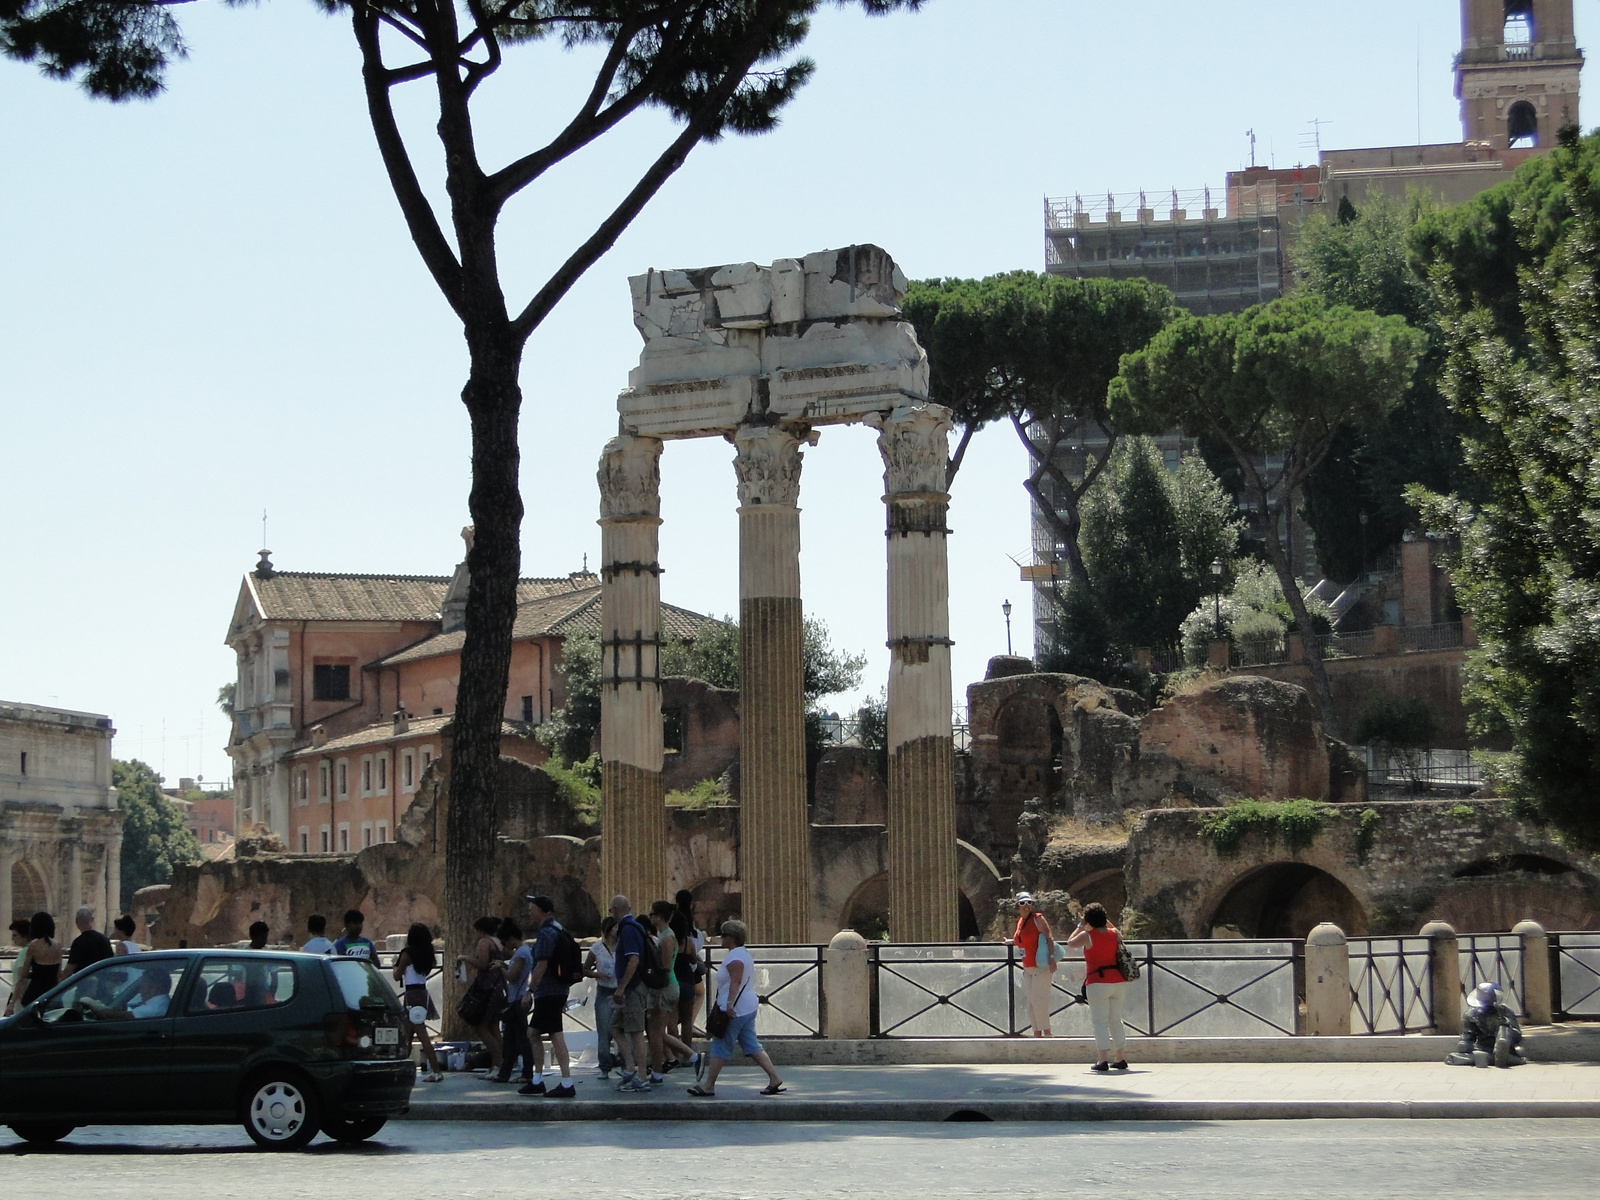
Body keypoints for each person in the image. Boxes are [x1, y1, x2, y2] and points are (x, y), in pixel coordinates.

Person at [687, 919, 784, 1098]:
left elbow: (736, 982)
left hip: (735, 1010)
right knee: (752, 1045)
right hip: (746, 1007)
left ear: (731, 937)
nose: (721, 938)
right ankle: (774, 1078)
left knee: (720, 1046)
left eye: (723, 935)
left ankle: (709, 1085)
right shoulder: (742, 953)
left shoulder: (735, 957)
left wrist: (729, 1004)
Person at [520, 894, 576, 1098]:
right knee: (535, 1033)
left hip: (549, 991)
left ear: (541, 910)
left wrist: (530, 991)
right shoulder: (558, 929)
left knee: (554, 1035)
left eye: (532, 907)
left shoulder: (546, 933)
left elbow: (542, 964)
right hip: (557, 989)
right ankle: (538, 1079)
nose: (529, 910)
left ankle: (567, 1082)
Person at [1065, 902, 1128, 1072]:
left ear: (1088, 920)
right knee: (1116, 1020)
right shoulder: (1114, 934)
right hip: (1118, 981)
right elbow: (1115, 930)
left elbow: (1070, 943)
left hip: (1097, 982)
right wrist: (1103, 920)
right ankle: (1120, 1057)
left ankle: (1102, 1060)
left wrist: (1081, 925)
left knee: (1099, 1021)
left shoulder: (1088, 936)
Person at [646, 899, 699, 1082]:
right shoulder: (666, 936)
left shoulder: (667, 938)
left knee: (656, 1031)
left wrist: (659, 993)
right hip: (668, 986)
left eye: (651, 914)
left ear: (659, 917)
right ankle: (687, 1057)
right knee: (657, 1032)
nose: (650, 917)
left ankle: (659, 1070)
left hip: (666, 987)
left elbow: (666, 968)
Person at [608, 894, 652, 1092]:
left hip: (632, 988)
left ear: (616, 910)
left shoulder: (627, 929)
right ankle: (630, 1067)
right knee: (615, 1026)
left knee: (635, 1032)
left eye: (611, 910)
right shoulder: (634, 927)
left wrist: (621, 987)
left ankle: (642, 1076)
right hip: (631, 987)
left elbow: (633, 960)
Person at [455, 914, 507, 1075]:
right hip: (498, 986)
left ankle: (498, 1063)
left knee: (481, 1027)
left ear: (480, 930)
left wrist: (465, 958)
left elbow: (483, 964)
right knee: (494, 1027)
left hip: (487, 989)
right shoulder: (497, 943)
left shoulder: (484, 942)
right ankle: (500, 1064)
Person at [392, 922, 443, 1082]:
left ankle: (436, 1070)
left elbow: (397, 976)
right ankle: (399, 1070)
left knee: (422, 1035)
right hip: (422, 992)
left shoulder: (407, 954)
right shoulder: (427, 953)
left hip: (411, 995)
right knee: (408, 1034)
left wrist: (394, 963)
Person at [1006, 892, 1056, 1037]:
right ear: (1017, 906)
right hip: (1027, 966)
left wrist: (1052, 958)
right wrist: (1011, 941)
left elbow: (1049, 937)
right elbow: (1022, 939)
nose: (1026, 906)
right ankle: (1037, 1032)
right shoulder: (1020, 922)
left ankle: (1047, 1032)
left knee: (1039, 999)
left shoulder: (1038, 919)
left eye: (1029, 903)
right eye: (1022, 903)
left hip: (1041, 966)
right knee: (1031, 1001)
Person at [1447, 981, 1526, 1068]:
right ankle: (1499, 1058)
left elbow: (1517, 1036)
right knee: (1453, 1057)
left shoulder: (1505, 1011)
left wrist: (1505, 1026)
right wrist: (1465, 1045)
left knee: (1504, 1029)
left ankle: (1499, 1052)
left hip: (1506, 1046)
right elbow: (1466, 1039)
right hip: (1482, 1048)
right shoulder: (1470, 1014)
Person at [495, 918, 536, 1086]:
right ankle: (505, 1072)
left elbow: (513, 976)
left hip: (518, 1001)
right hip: (515, 999)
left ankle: (527, 1072)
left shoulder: (521, 953)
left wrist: (501, 968)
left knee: (521, 1039)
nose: (506, 946)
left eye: (506, 942)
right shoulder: (524, 951)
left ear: (512, 938)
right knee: (510, 1039)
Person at [585, 916, 620, 1078]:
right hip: (604, 990)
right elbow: (585, 969)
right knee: (604, 1029)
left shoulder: (622, 946)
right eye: (614, 928)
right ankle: (604, 1065)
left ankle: (624, 1063)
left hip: (620, 990)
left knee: (622, 1029)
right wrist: (595, 974)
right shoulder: (597, 948)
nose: (617, 930)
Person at [671, 889, 706, 1047]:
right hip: (688, 977)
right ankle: (687, 1054)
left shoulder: (668, 941)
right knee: (686, 1020)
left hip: (673, 979)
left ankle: (672, 1053)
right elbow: (693, 957)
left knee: (670, 1021)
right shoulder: (690, 940)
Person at [80, 964, 175, 1021]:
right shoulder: (166, 1004)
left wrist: (88, 1001)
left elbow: (110, 1016)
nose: (140, 991)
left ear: (155, 987)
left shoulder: (153, 1008)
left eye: (143, 985)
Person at [19, 911, 63, 1008]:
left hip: (35, 994)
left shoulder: (33, 946)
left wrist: (34, 974)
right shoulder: (58, 945)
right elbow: (59, 973)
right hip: (53, 994)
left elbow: (23, 974)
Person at [62, 905, 112, 979]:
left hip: (84, 984)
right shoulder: (104, 939)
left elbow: (70, 969)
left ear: (76, 922)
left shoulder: (78, 943)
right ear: (92, 919)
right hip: (102, 983)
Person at [5, 918, 32, 1016]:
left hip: (19, 997)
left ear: (25, 936)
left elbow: (21, 979)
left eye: (15, 935)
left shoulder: (25, 952)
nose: (13, 939)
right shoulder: (31, 949)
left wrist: (12, 1003)